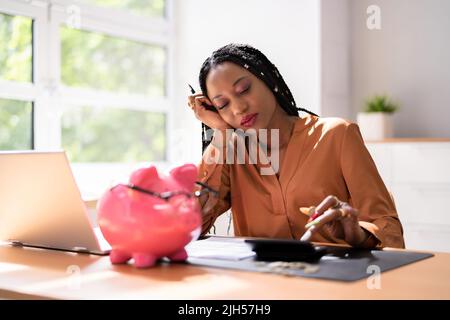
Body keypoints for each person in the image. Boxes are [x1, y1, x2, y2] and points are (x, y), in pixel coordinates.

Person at [188, 43, 404, 248]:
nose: (238, 108)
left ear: (268, 79)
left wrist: (358, 234)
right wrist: (221, 132)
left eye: (244, 89)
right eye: (222, 104)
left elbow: (388, 227)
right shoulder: (232, 153)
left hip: (335, 281)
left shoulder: (337, 135)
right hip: (261, 283)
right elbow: (190, 225)